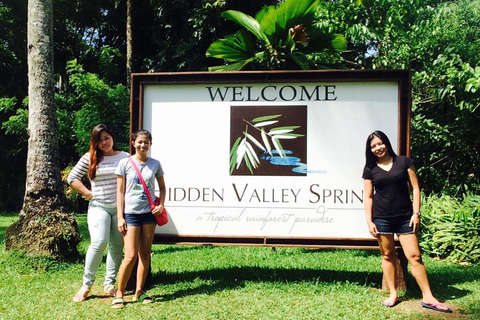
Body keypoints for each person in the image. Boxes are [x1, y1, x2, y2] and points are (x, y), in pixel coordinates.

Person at [362, 130, 452, 313]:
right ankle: (393, 294)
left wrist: (416, 213)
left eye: (380, 143)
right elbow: (368, 197)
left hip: (405, 217)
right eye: (373, 146)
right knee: (387, 256)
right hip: (382, 218)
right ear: (370, 150)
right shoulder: (370, 169)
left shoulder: (404, 162)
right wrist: (369, 221)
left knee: (415, 256)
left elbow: (416, 188)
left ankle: (428, 296)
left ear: (386, 143)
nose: (378, 148)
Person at [69, 124, 129, 302]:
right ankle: (86, 285)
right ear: (95, 142)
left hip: (120, 209)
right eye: (100, 139)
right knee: (99, 242)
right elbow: (72, 178)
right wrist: (88, 193)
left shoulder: (124, 157)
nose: (104, 142)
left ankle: (109, 284)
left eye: (107, 138)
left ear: (112, 138)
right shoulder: (90, 157)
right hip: (99, 206)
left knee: (117, 247)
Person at [112, 129, 166, 308]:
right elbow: (119, 192)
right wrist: (120, 217)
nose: (143, 145)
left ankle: (139, 292)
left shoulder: (155, 164)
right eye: (140, 142)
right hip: (131, 215)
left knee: (145, 254)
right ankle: (119, 292)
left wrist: (161, 205)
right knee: (130, 255)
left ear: (150, 144)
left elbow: (163, 188)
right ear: (134, 143)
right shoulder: (124, 163)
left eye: (147, 142)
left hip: (149, 215)